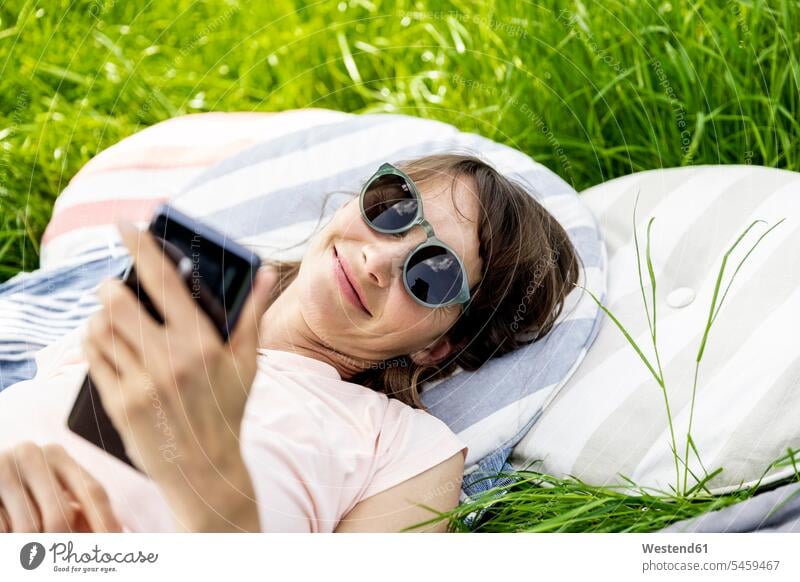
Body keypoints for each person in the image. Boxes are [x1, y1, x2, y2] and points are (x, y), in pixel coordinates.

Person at [0, 154, 579, 533]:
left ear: (439, 348)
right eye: (393, 207)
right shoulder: (186, 299)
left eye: (432, 275)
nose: (378, 258)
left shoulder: (404, 447)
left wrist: (211, 480)